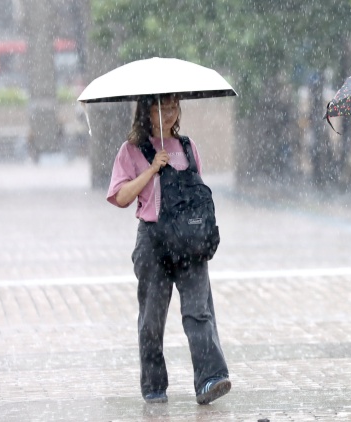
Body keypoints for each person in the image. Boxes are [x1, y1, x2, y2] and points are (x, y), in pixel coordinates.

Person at [106, 93, 230, 405]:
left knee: (198, 312)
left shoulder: (187, 146)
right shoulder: (132, 150)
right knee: (152, 319)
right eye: (162, 107)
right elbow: (120, 197)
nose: (170, 113)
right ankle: (154, 385)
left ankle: (210, 379)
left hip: (190, 242)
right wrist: (151, 169)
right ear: (146, 111)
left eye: (174, 106)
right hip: (154, 243)